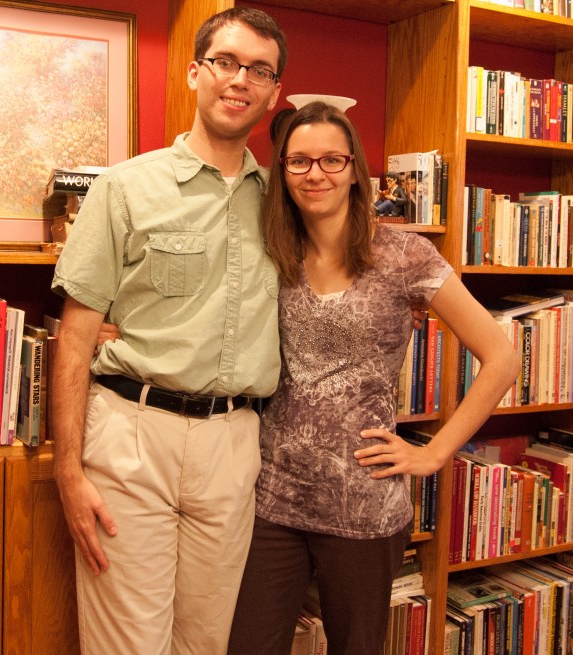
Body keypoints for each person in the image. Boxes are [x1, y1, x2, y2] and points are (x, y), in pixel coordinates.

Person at [226, 101, 520, 655]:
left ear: (356, 169)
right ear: (281, 172)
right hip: (272, 499)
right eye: (299, 162)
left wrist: (432, 454)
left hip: (363, 504)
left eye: (332, 160)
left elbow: (502, 358)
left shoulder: (404, 254)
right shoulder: (271, 253)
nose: (316, 173)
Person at [49, 8, 287, 654]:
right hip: (132, 440)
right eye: (227, 62)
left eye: (259, 71)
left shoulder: (283, 208)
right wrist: (67, 472)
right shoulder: (125, 188)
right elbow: (74, 339)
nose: (240, 80)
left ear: (274, 94)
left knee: (205, 646)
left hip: (235, 447)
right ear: (195, 73)